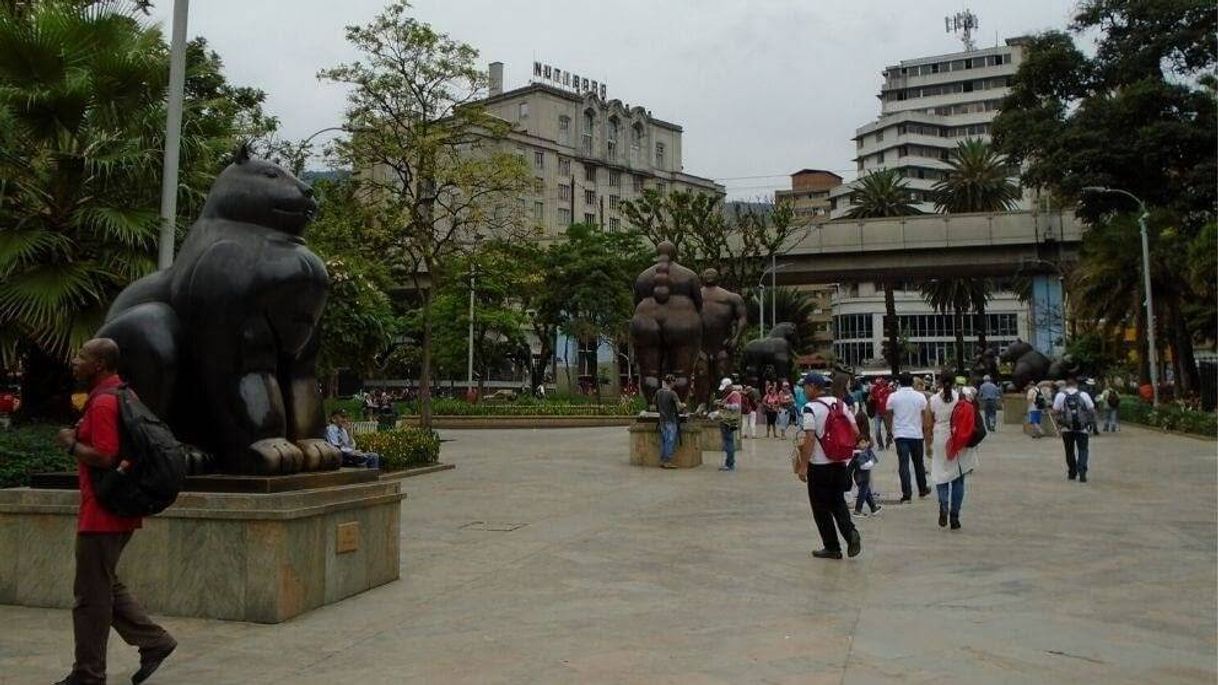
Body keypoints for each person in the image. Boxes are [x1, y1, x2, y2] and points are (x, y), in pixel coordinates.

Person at [52, 339, 176, 685]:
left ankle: (88, 673)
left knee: (90, 596)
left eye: (82, 357)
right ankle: (155, 642)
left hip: (103, 511)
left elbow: (106, 456)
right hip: (114, 508)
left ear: (100, 365)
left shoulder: (105, 402)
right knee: (103, 583)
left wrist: (72, 444)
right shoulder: (122, 394)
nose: (74, 362)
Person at [795, 373, 862, 560]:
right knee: (838, 502)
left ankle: (832, 547)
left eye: (805, 386)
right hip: (840, 463)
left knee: (820, 508)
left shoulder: (810, 408)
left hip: (819, 465)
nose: (804, 390)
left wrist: (803, 466)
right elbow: (855, 430)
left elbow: (809, 437)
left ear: (813, 387)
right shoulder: (840, 403)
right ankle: (850, 533)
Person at [928, 374, 979, 530]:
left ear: (939, 383)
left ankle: (943, 504)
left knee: (940, 474)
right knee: (958, 478)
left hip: (939, 438)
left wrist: (927, 444)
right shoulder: (961, 398)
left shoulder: (933, 400)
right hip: (958, 439)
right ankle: (955, 515)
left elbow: (927, 425)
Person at [886, 372, 931, 503]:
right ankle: (922, 489)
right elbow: (924, 415)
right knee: (919, 463)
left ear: (899, 382)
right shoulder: (920, 397)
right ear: (912, 382)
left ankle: (907, 494)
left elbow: (889, 414)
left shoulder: (893, 397)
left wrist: (890, 431)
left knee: (903, 464)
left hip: (900, 434)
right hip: (916, 434)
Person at [1053, 376, 1096, 482]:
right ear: (1076, 385)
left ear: (1066, 385)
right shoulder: (1084, 395)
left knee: (1069, 451)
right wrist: (1090, 422)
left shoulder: (1060, 395)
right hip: (1082, 428)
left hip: (1066, 428)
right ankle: (1082, 472)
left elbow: (1055, 411)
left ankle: (1072, 472)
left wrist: (1059, 421)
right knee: (1083, 450)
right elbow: (1092, 410)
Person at [714, 379, 742, 471]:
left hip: (728, 422)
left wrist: (724, 406)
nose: (724, 390)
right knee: (727, 443)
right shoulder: (729, 394)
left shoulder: (735, 394)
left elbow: (736, 406)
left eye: (725, 388)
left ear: (729, 386)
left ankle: (730, 464)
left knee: (728, 443)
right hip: (725, 421)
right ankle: (728, 463)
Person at [654, 374, 681, 469]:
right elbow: (679, 407)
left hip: (662, 420)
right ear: (672, 382)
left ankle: (662, 460)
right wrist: (683, 406)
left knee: (664, 441)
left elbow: (654, 404)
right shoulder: (672, 393)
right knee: (670, 441)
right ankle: (667, 461)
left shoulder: (658, 392)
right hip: (671, 420)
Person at [850, 435, 882, 517]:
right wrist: (871, 463)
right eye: (862, 443)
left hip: (863, 476)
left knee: (867, 492)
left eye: (865, 442)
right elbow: (862, 466)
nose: (864, 444)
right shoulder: (859, 454)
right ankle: (858, 510)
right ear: (857, 445)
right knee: (862, 494)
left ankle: (873, 508)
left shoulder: (866, 451)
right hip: (861, 477)